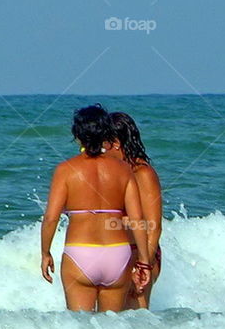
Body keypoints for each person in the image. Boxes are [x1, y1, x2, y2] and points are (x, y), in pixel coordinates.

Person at [40, 104, 152, 312]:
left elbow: (51, 218)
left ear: (77, 135)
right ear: (107, 133)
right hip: (117, 255)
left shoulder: (65, 170)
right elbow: (137, 220)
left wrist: (45, 252)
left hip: (80, 253)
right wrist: (144, 262)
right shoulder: (124, 170)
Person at [106, 111, 163, 310]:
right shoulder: (113, 171)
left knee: (137, 317)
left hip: (141, 254)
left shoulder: (143, 173)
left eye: (102, 144)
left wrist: (143, 264)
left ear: (115, 143)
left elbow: (154, 226)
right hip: (118, 253)